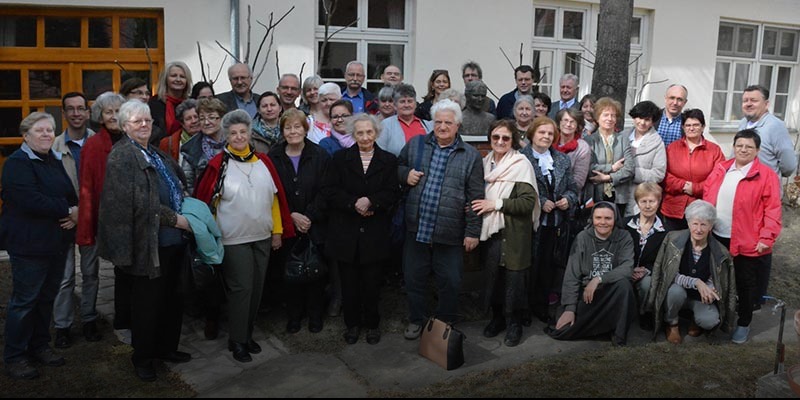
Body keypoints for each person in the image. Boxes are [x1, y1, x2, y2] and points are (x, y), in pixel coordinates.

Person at [97, 100, 193, 381]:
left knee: (172, 300)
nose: (144, 125)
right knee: (147, 304)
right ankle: (143, 358)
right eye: (137, 121)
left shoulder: (153, 152)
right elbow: (137, 202)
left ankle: (166, 349)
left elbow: (176, 182)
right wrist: (175, 219)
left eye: (148, 120)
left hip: (174, 241)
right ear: (125, 126)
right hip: (149, 243)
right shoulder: (122, 155)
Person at [194, 110, 295, 362]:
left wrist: (277, 232)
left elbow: (274, 198)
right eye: (233, 133)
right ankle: (237, 340)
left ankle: (247, 334)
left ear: (250, 134)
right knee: (242, 289)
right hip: (233, 239)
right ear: (226, 136)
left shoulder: (263, 161)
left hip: (262, 235)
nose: (239, 137)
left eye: (243, 132)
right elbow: (208, 205)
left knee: (257, 289)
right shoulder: (219, 164)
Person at [397, 99, 484, 339]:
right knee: (414, 279)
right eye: (438, 122)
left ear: (457, 125)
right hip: (418, 227)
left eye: (448, 122)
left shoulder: (470, 155)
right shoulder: (416, 145)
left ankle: (443, 324)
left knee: (451, 282)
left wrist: (472, 231)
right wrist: (405, 175)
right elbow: (397, 167)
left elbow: (476, 196)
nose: (442, 126)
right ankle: (416, 320)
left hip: (450, 230)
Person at [1, 112, 78, 380]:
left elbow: (69, 192)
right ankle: (15, 356)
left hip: (55, 243)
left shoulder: (52, 160)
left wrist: (73, 211)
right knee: (24, 302)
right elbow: (29, 200)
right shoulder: (17, 163)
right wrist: (68, 209)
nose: (47, 134)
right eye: (40, 130)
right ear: (25, 135)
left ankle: (39, 346)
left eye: (50, 130)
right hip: (29, 245)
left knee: (46, 299)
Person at [323, 113, 400, 345]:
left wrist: (372, 202)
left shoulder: (388, 160)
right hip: (346, 232)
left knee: (372, 284)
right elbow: (330, 190)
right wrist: (353, 203)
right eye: (360, 133)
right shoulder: (339, 159)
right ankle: (352, 325)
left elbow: (392, 193)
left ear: (376, 133)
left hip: (375, 232)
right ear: (352, 134)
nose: (365, 137)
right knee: (349, 285)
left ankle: (372, 325)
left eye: (369, 132)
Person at [703, 129, 782, 344]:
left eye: (749, 146)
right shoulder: (722, 169)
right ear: (734, 147)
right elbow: (708, 194)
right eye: (739, 145)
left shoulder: (766, 175)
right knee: (718, 280)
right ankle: (718, 319)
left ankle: (744, 323)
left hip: (747, 239)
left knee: (746, 284)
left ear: (757, 150)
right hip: (717, 236)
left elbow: (773, 210)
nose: (743, 150)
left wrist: (767, 237)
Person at [472, 119, 538, 347]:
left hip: (514, 232)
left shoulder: (521, 165)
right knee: (494, 279)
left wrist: (496, 204)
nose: (500, 142)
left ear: (513, 141)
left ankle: (514, 324)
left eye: (506, 138)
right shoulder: (484, 164)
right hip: (490, 232)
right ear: (490, 139)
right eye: (496, 137)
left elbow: (528, 203)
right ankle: (498, 319)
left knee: (514, 280)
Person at [268, 109, 330, 334]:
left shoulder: (320, 155)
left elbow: (326, 190)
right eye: (288, 127)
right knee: (290, 272)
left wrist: (309, 216)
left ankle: (315, 315)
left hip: (315, 224)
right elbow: (272, 192)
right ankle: (294, 315)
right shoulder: (273, 156)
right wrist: (291, 215)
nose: (292, 131)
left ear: (305, 129)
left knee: (315, 272)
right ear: (282, 130)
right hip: (287, 225)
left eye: (297, 127)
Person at [75, 92, 128, 344]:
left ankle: (124, 316)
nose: (114, 116)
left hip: (123, 220)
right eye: (109, 112)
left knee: (124, 270)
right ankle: (87, 318)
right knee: (90, 272)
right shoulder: (93, 145)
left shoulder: (131, 140)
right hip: (97, 216)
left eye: (119, 110)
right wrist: (86, 224)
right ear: (101, 116)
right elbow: (86, 186)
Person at [646, 200, 736, 344]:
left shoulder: (721, 252)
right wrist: (696, 282)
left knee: (710, 321)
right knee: (675, 292)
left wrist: (711, 289)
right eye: (695, 223)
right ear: (688, 223)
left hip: (700, 298)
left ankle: (695, 320)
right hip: (677, 291)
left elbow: (721, 281)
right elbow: (667, 273)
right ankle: (672, 323)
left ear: (710, 226)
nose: (698, 229)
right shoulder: (672, 239)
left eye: (703, 224)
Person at [547, 202, 636, 346]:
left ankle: (618, 335)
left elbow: (627, 268)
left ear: (615, 219)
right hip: (587, 295)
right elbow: (572, 274)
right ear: (592, 219)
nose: (602, 222)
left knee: (624, 285)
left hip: (611, 293)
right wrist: (570, 308)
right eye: (598, 218)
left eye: (608, 218)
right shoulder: (582, 237)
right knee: (562, 330)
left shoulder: (624, 237)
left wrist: (599, 279)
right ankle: (603, 327)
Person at [52, 92, 100, 349]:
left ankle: (90, 318)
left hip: (90, 218)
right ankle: (63, 326)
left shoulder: (99, 143)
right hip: (64, 220)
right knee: (65, 276)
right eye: (70, 109)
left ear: (88, 112)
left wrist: (81, 211)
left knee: (91, 273)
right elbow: (48, 185)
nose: (76, 113)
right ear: (64, 113)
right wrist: (70, 211)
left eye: (81, 108)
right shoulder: (54, 147)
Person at [522, 117, 577, 323]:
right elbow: (518, 190)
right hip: (530, 223)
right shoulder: (521, 157)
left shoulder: (562, 159)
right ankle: (523, 309)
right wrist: (541, 201)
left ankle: (540, 306)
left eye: (550, 134)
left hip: (554, 224)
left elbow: (573, 188)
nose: (546, 136)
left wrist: (567, 200)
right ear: (532, 134)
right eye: (541, 132)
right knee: (528, 267)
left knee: (547, 267)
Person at [662, 109, 725, 231]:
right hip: (673, 207)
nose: (691, 128)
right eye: (688, 125)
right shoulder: (671, 148)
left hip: (701, 209)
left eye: (696, 125)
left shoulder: (714, 150)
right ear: (683, 127)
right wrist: (683, 186)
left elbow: (718, 178)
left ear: (703, 127)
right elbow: (663, 174)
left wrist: (696, 188)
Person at [623, 182, 667, 330]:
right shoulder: (625, 224)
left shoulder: (666, 231)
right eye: (643, 201)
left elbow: (663, 259)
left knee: (647, 282)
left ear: (658, 202)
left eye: (652, 201)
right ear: (637, 202)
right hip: (625, 269)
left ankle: (645, 313)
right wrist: (629, 269)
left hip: (647, 272)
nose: (648, 206)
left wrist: (646, 270)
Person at [586, 97, 634, 219]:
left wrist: (608, 177)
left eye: (613, 115)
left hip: (619, 195)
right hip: (596, 193)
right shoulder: (589, 140)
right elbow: (589, 167)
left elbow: (629, 169)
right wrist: (611, 167)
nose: (610, 119)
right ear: (597, 118)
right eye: (605, 115)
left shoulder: (623, 139)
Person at [738, 84, 797, 179]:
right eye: (745, 101)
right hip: (744, 187)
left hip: (767, 189)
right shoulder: (742, 124)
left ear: (766, 104)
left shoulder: (775, 126)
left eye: (754, 100)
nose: (748, 104)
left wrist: (773, 176)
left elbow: (788, 164)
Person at [624, 100, 666, 215]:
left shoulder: (657, 142)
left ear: (652, 122)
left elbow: (658, 173)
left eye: (647, 119)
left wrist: (631, 172)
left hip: (640, 195)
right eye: (639, 118)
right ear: (634, 118)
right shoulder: (623, 135)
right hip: (617, 193)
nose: (642, 122)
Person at [180, 97, 228, 195]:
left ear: (222, 118)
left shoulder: (233, 142)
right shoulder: (191, 149)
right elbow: (188, 184)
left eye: (211, 117)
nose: (206, 122)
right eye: (202, 118)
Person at [377, 84, 432, 157]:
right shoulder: (385, 125)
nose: (406, 105)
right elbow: (379, 154)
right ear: (395, 105)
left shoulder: (428, 126)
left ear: (415, 104)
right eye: (402, 101)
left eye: (410, 101)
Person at [148, 61, 192, 144]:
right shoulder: (154, 104)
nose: (178, 79)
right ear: (165, 79)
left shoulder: (191, 104)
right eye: (173, 76)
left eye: (182, 76)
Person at [554, 108, 591, 194]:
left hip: (568, 197)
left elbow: (578, 181)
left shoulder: (582, 147)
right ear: (559, 123)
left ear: (578, 126)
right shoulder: (550, 142)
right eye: (565, 120)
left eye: (572, 121)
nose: (568, 124)